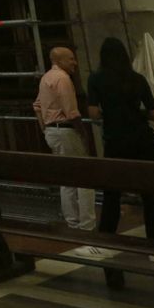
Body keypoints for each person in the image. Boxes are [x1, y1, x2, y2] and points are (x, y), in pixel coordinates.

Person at [86, 37, 154, 247]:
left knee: (112, 192)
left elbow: (93, 113)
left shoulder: (96, 78)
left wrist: (110, 113)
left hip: (115, 140)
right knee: (149, 193)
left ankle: (107, 239)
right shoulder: (137, 78)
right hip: (141, 139)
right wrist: (136, 113)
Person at [34, 47, 99, 248]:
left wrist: (45, 128)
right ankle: (87, 224)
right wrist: (83, 132)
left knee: (66, 178)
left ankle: (72, 221)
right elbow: (71, 112)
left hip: (53, 131)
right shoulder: (62, 79)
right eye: (71, 59)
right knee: (83, 176)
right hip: (65, 130)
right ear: (59, 60)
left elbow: (37, 105)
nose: (75, 63)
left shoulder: (46, 77)